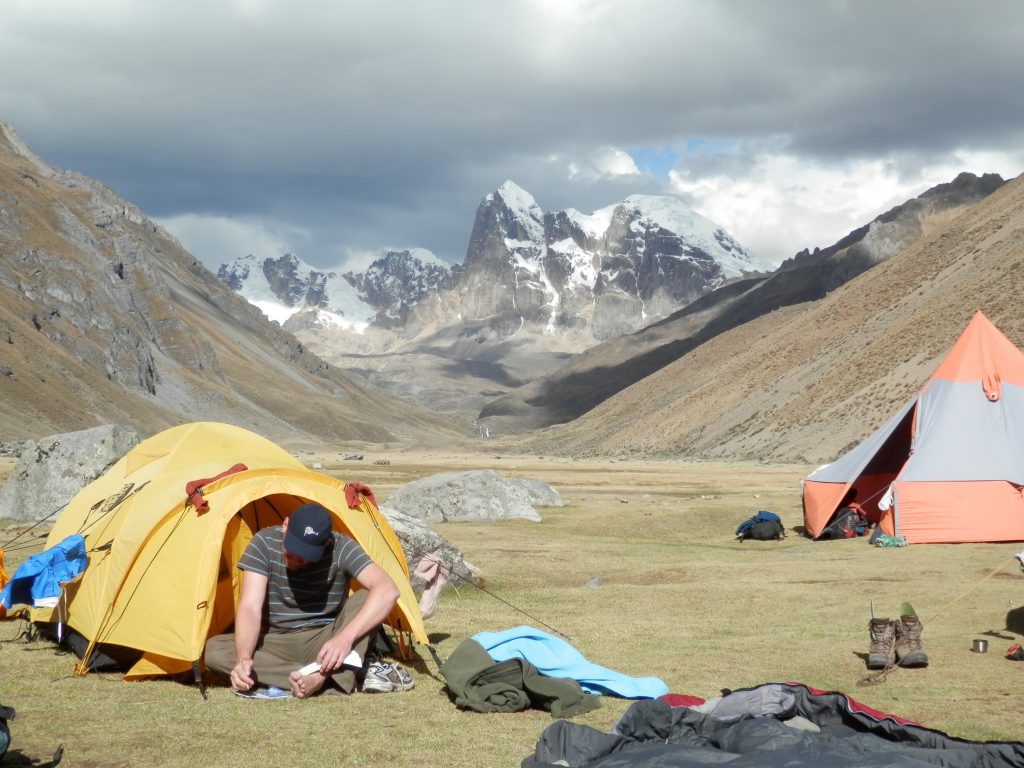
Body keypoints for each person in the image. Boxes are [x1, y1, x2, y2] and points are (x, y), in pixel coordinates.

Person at [204, 503, 400, 699]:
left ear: (325, 544)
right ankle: (322, 676)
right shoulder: (263, 543)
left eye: (306, 554)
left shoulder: (342, 547)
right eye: (292, 548)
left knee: (367, 597)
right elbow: (250, 607)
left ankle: (321, 675)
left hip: (327, 639)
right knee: (214, 651)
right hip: (275, 642)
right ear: (285, 526)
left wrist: (344, 639)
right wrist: (243, 658)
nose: (296, 557)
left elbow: (388, 590)